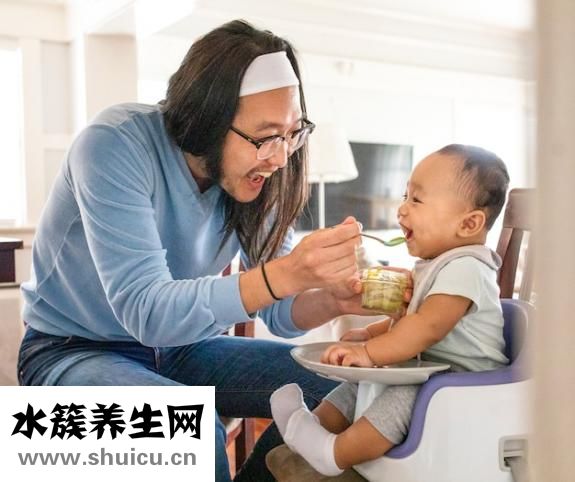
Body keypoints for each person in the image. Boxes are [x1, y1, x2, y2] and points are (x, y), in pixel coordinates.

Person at [17, 19, 382, 482]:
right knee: (189, 434)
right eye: (265, 136)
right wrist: (286, 273)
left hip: (179, 347)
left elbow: (280, 314)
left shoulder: (259, 175)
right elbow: (147, 313)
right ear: (207, 119)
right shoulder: (114, 144)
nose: (279, 157)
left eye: (292, 133)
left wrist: (330, 298)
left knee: (337, 390)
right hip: (69, 351)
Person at [270, 144, 510, 477]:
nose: (401, 209)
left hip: (465, 382)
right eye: (405, 196)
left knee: (400, 396)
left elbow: (426, 327)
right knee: (361, 383)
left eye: (417, 200)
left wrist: (368, 352)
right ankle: (311, 427)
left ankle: (334, 453)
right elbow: (411, 321)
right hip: (436, 370)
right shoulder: (437, 265)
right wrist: (369, 335)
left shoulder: (467, 267)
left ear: (469, 224)